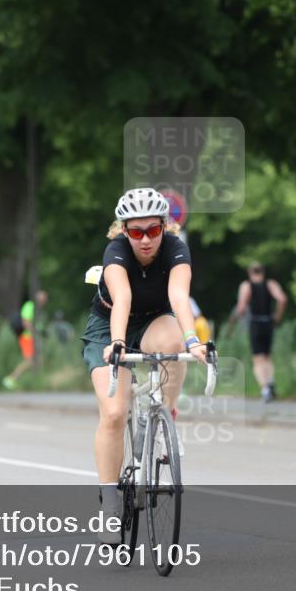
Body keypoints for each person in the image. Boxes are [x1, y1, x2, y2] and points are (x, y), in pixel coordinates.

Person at [80, 188, 207, 544]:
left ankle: (164, 415)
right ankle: (108, 505)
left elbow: (180, 298)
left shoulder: (176, 249)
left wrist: (194, 340)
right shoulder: (115, 252)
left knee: (172, 344)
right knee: (115, 413)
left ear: (165, 226)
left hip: (154, 321)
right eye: (136, 232)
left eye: (154, 230)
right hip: (108, 328)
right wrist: (117, 344)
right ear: (124, 231)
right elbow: (123, 298)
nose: (146, 239)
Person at [230, 262, 287, 402]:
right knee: (267, 357)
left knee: (257, 359)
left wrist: (235, 320)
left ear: (250, 272)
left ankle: (265, 388)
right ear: (263, 272)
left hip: (255, 323)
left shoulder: (246, 286)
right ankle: (270, 381)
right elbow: (282, 299)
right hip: (268, 322)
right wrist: (277, 317)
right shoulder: (270, 284)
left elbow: (242, 306)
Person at [3, 290, 48, 390]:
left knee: (38, 359)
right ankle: (11, 379)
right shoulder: (30, 306)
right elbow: (26, 322)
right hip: (27, 337)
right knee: (30, 360)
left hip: (31, 337)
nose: (43, 302)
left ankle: (35, 381)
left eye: (44, 300)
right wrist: (35, 334)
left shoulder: (36, 309)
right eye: (42, 300)